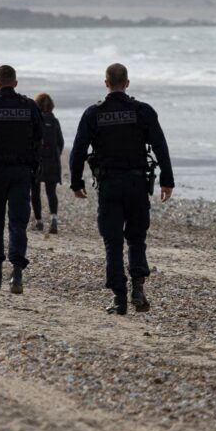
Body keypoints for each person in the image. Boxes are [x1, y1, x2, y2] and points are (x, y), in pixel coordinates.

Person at [68, 62, 174, 315]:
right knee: (137, 238)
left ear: (106, 83)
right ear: (127, 83)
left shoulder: (94, 113)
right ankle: (138, 287)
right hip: (137, 184)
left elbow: (79, 150)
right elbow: (160, 146)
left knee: (113, 241)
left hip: (109, 185)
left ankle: (119, 297)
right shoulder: (142, 111)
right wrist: (167, 180)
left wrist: (76, 182)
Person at [0, 65, 44, 293]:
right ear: (15, 83)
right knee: (18, 223)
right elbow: (39, 139)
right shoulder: (29, 106)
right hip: (21, 172)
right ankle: (16, 274)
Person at [31, 92, 63, 235]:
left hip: (36, 160)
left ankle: (38, 221)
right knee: (51, 192)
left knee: (35, 192)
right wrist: (56, 155)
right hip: (52, 160)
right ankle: (54, 218)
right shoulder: (54, 121)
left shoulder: (34, 120)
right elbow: (60, 143)